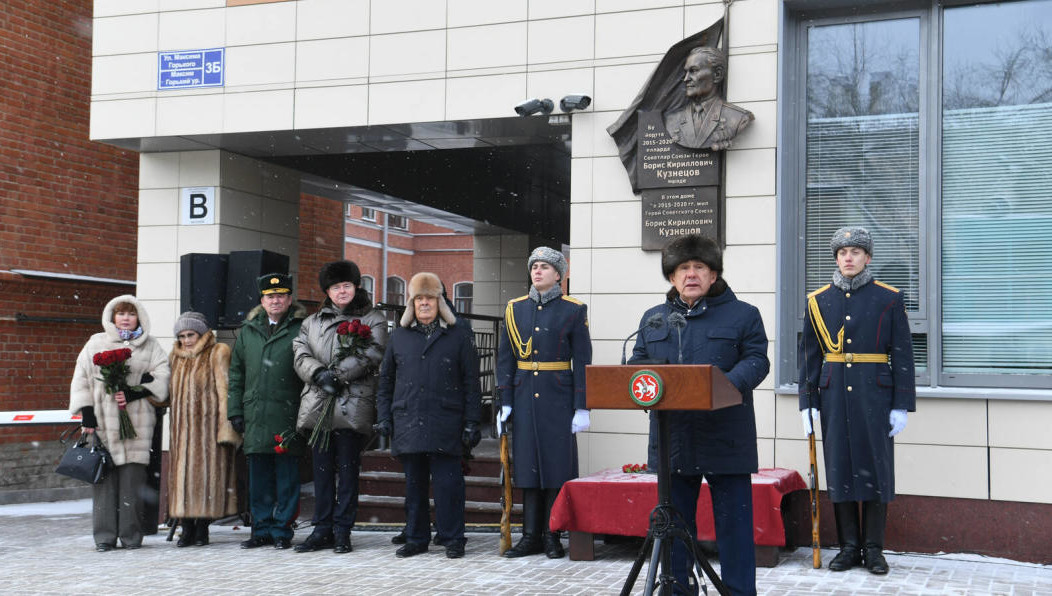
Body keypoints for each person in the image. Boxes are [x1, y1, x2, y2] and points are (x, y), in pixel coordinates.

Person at [630, 234, 769, 596]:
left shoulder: (744, 315)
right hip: (673, 440)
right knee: (675, 527)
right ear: (672, 278)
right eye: (682, 269)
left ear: (713, 274)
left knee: (735, 529)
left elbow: (757, 360)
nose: (690, 275)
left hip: (726, 435)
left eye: (699, 267)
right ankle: (678, 589)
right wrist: (638, 385)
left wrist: (720, 387)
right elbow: (638, 368)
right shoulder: (653, 319)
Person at [798, 226, 916, 575]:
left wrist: (901, 404)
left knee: (876, 469)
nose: (847, 258)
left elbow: (903, 354)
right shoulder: (818, 301)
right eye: (841, 253)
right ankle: (849, 547)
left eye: (855, 252)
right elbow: (809, 356)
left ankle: (874, 550)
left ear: (868, 257)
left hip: (875, 394)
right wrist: (808, 402)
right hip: (834, 395)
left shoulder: (888, 298)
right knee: (840, 467)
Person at [374, 272, 482, 559]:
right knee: (414, 486)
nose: (424, 304)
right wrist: (384, 416)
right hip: (408, 421)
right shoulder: (399, 336)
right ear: (412, 303)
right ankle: (416, 537)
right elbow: (385, 381)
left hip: (446, 421)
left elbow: (472, 381)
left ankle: (452, 536)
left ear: (440, 302)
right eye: (419, 298)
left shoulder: (458, 334)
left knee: (449, 485)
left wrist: (473, 420)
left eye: (430, 298)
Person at [497, 246, 592, 559]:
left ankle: (552, 536)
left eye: (544, 267)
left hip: (558, 398)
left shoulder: (574, 309)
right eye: (534, 266)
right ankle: (530, 537)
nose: (537, 271)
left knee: (555, 468)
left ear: (558, 275)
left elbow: (583, 361)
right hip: (524, 398)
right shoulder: (514, 309)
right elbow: (506, 359)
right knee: (527, 468)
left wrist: (582, 406)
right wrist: (506, 401)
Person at [292, 260, 387, 554]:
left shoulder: (372, 319)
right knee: (321, 472)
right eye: (336, 287)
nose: (341, 291)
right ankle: (322, 528)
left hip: (352, 404)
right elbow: (299, 351)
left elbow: (373, 351)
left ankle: (343, 529)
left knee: (347, 471)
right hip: (320, 404)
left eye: (346, 285)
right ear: (328, 291)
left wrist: (338, 375)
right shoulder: (312, 321)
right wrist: (319, 374)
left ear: (355, 287)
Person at [69, 294, 171, 552]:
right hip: (102, 423)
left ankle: (131, 536)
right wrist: (87, 413)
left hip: (136, 423)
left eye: (131, 313)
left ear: (139, 318)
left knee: (132, 483)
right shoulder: (96, 343)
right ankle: (104, 537)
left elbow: (163, 375)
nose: (125, 318)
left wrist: (137, 391)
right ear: (112, 317)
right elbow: (81, 378)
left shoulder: (150, 346)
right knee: (104, 483)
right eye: (121, 313)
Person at [227, 273, 307, 550]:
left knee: (286, 478)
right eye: (270, 296)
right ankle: (260, 530)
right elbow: (236, 374)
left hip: (288, 414)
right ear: (262, 300)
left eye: (281, 295)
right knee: (258, 480)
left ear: (289, 299)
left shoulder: (301, 329)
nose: (276, 300)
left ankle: (282, 530)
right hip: (255, 416)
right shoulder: (248, 331)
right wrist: (235, 411)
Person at [167, 311, 240, 547]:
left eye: (191, 334)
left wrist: (226, 429)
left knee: (207, 481)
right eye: (182, 335)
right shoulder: (175, 357)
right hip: (180, 433)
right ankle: (186, 528)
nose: (187, 339)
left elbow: (225, 392)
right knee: (183, 483)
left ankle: (202, 529)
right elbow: (167, 393)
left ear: (202, 333)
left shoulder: (217, 353)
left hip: (207, 432)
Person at [663, 46, 754, 151]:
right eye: (686, 72)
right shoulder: (671, 119)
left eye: (694, 71)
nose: (686, 79)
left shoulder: (738, 118)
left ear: (717, 74)